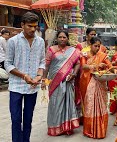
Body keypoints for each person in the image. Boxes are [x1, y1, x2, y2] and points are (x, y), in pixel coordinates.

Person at [4, 12, 45, 142]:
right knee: (16, 120)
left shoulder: (40, 41)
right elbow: (8, 64)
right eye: (29, 26)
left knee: (28, 119)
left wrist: (39, 75)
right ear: (22, 25)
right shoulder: (13, 41)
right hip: (16, 86)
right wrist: (24, 76)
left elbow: (42, 62)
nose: (33, 29)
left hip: (32, 86)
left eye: (35, 26)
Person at [80, 37, 117, 139]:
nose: (97, 48)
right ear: (90, 45)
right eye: (95, 46)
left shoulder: (102, 55)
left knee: (101, 105)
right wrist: (96, 65)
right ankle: (89, 130)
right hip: (88, 81)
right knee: (90, 105)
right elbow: (83, 66)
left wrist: (115, 71)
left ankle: (100, 129)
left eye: (99, 46)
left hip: (100, 82)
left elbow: (110, 65)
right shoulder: (85, 54)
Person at [42, 31, 81, 136]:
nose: (62, 39)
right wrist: (43, 79)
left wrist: (74, 74)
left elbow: (78, 63)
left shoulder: (73, 51)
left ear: (67, 39)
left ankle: (67, 127)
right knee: (55, 103)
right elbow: (46, 65)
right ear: (57, 38)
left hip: (68, 81)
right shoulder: (51, 50)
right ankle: (55, 127)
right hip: (54, 81)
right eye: (60, 37)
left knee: (67, 103)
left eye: (64, 37)